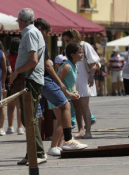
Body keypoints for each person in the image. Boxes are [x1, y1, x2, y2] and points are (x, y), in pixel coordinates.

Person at [34, 19, 87, 156]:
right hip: (58, 96)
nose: (82, 54)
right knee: (61, 123)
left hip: (64, 95)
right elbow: (58, 81)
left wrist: (73, 91)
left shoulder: (74, 66)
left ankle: (59, 146)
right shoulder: (67, 66)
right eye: (80, 52)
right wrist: (68, 93)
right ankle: (55, 146)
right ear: (72, 54)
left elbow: (72, 82)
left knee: (64, 122)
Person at [10, 8, 47, 165]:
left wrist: (16, 71)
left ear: (22, 21)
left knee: (29, 118)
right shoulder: (33, 32)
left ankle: (38, 153)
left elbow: (33, 60)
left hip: (29, 79)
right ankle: (31, 152)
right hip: (31, 78)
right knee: (28, 118)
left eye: (18, 20)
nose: (18, 23)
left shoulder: (30, 33)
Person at [62, 29, 99, 139]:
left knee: (84, 106)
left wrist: (92, 76)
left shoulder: (85, 45)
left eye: (68, 40)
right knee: (76, 107)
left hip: (84, 78)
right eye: (65, 41)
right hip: (73, 79)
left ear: (74, 37)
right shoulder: (68, 49)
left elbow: (93, 62)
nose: (67, 42)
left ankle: (88, 131)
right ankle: (81, 130)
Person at [6, 37, 24, 135]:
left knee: (10, 106)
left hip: (9, 83)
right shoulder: (21, 58)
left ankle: (10, 126)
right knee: (19, 107)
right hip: (19, 83)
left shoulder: (8, 57)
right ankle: (20, 127)